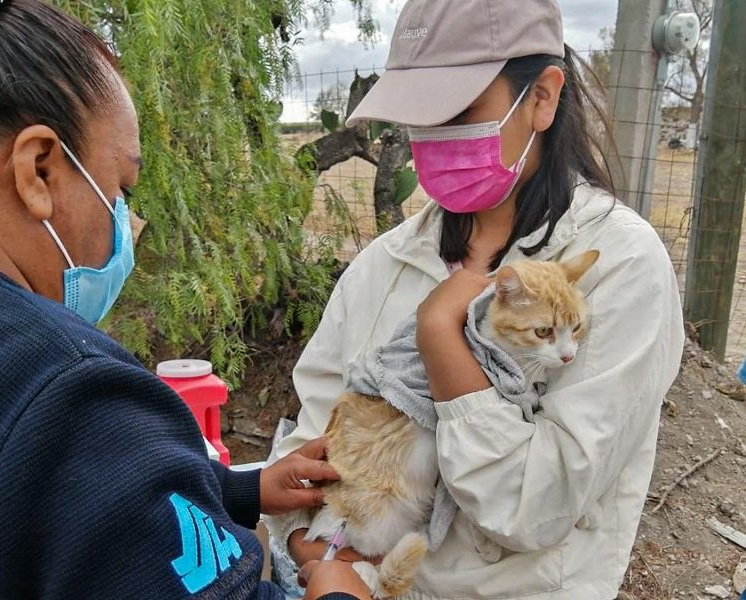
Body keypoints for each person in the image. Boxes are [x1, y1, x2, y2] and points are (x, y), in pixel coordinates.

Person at [0, 0, 372, 598]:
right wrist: (336, 590)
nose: (126, 221)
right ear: (38, 170)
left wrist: (239, 491)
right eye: (121, 187)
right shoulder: (63, 393)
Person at [265, 0, 685, 598]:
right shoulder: (385, 264)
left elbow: (534, 507)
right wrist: (311, 549)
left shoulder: (620, 268)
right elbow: (310, 441)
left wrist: (442, 338)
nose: (432, 139)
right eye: (419, 116)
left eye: (458, 111)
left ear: (541, 96)